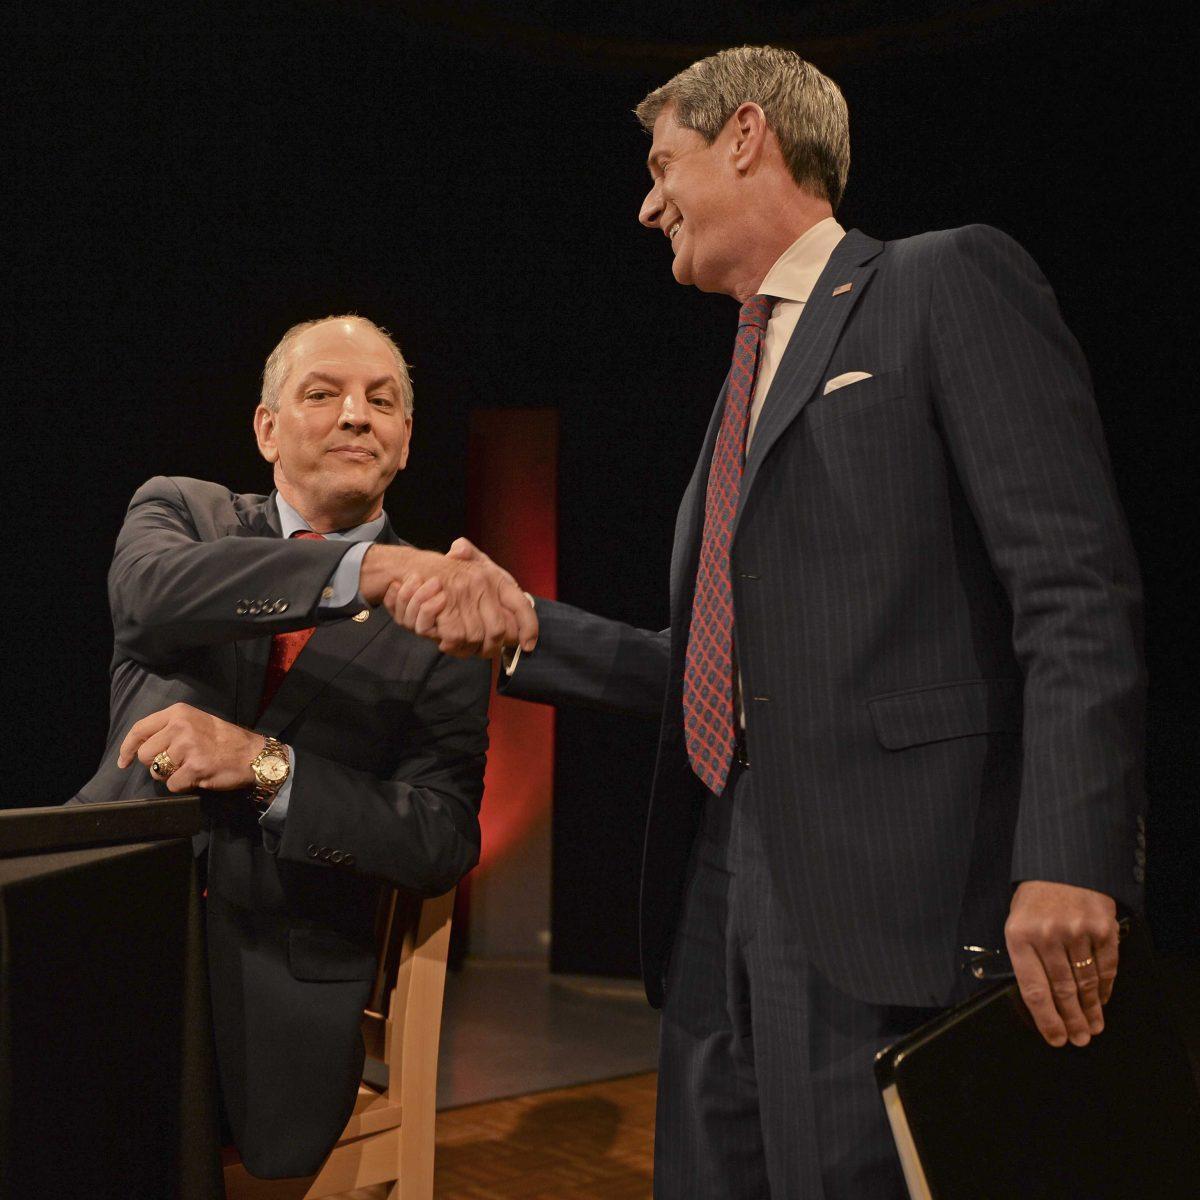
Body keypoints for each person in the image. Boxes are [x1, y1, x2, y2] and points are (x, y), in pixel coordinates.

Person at [389, 47, 1146, 1199]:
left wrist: (1069, 858)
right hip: (717, 893)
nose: (648, 204)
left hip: (889, 897)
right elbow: (711, 675)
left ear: (747, 136)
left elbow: (1074, 591)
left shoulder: (941, 281)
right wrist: (522, 625)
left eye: (663, 163)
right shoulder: (741, 376)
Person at [71, 314, 535, 1178]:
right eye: (323, 394)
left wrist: (265, 768)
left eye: (381, 400)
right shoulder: (182, 511)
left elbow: (440, 835)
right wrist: (369, 572)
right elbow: (150, 599)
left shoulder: (443, 624)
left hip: (272, 985)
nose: (356, 415)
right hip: (107, 928)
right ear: (267, 429)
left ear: (403, 443)